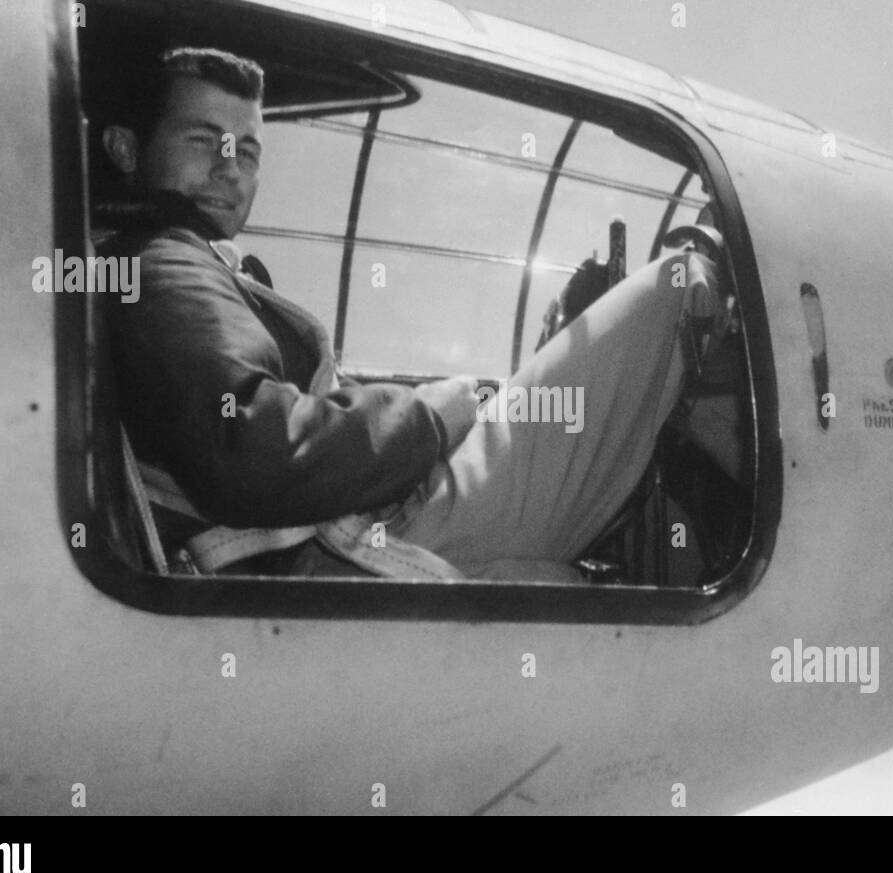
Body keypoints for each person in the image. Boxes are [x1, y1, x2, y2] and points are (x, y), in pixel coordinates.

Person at [99, 47, 735, 582]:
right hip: (372, 535)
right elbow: (258, 445)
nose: (230, 169)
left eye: (250, 151)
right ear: (127, 150)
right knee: (680, 285)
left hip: (359, 531)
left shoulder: (168, 268)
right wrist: (433, 413)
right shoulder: (163, 261)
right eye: (202, 140)